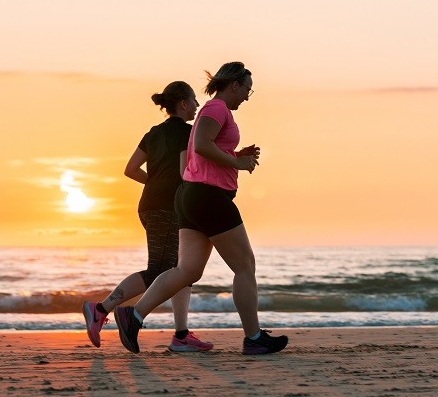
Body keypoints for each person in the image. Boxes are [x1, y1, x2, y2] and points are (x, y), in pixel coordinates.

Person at [114, 62, 289, 355]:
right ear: (234, 85)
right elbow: (201, 146)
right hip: (209, 197)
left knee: (187, 270)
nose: (248, 95)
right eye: (248, 88)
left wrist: (234, 154)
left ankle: (133, 315)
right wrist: (237, 163)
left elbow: (204, 152)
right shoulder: (216, 109)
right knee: (245, 266)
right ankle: (254, 337)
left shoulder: (211, 111)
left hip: (192, 196)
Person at [82, 81, 213, 352]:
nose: (198, 106)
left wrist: (154, 183)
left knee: (181, 269)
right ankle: (101, 308)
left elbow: (130, 169)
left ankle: (181, 335)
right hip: (167, 207)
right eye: (194, 100)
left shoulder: (152, 133)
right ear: (183, 103)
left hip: (152, 204)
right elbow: (182, 173)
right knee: (160, 269)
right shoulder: (187, 133)